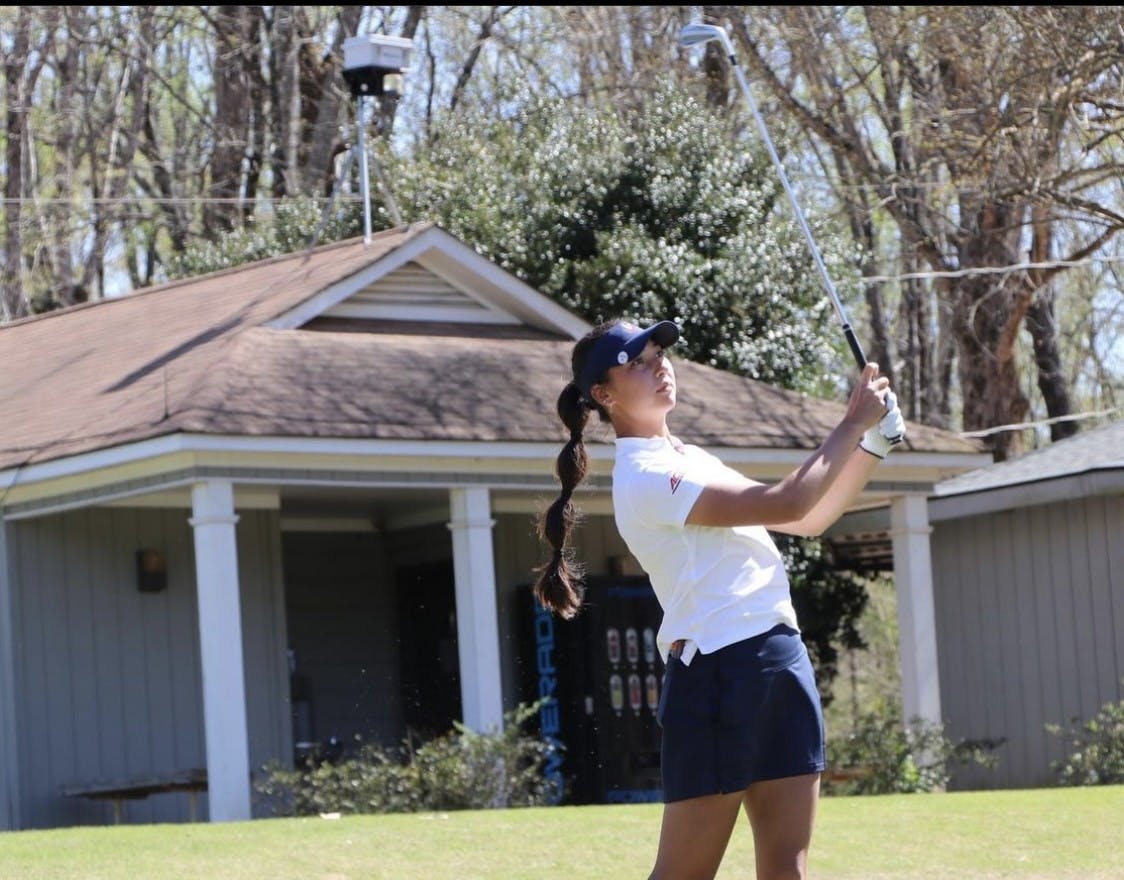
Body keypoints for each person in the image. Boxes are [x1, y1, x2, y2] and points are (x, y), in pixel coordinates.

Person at [534, 318, 905, 880]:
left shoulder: (687, 455)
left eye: (660, 352)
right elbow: (787, 500)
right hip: (717, 673)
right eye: (638, 360)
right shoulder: (643, 475)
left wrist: (871, 444)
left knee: (788, 868)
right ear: (603, 395)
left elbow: (808, 518)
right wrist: (854, 419)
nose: (659, 363)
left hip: (781, 658)